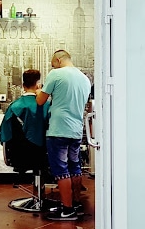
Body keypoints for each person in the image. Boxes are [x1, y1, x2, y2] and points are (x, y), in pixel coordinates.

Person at [36, 50, 91, 221]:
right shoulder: (85, 79)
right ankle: (75, 204)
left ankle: (67, 210)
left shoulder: (56, 74)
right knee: (75, 167)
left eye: (53, 63)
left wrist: (39, 90)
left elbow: (40, 101)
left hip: (59, 129)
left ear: (58, 60)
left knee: (61, 170)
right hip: (76, 130)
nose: (52, 66)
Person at [0, 69, 50, 172]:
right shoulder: (47, 105)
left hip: (18, 155)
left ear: (23, 86)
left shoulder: (14, 106)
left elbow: (4, 134)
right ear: (38, 85)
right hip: (44, 155)